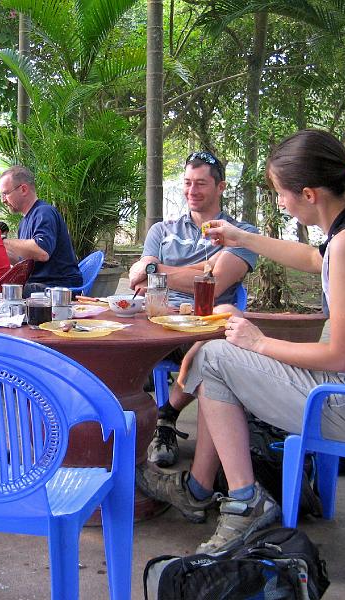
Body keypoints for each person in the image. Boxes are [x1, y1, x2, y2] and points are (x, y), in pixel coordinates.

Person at [136, 129, 345, 556]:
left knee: (214, 356)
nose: (280, 203)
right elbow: (312, 259)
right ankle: (201, 488)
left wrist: (257, 341)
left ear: (307, 194)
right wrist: (242, 237)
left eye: (280, 194)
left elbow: (341, 357)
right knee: (212, 355)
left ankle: (241, 502)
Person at [129, 151, 259, 468]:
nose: (191, 191)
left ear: (221, 187)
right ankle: (119, 439)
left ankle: (165, 417)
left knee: (211, 350)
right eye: (187, 183)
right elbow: (136, 275)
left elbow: (212, 285)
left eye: (201, 183)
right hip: (154, 322)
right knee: (102, 343)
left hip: (203, 326)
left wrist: (158, 270)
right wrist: (201, 268)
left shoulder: (242, 232)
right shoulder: (162, 229)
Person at [0, 165, 82, 294]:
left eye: (5, 194)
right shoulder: (24, 222)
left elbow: (42, 252)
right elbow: (24, 260)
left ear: (23, 189)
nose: (3, 200)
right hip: (41, 285)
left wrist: (3, 241)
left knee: (4, 293)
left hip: (58, 287)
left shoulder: (44, 213)